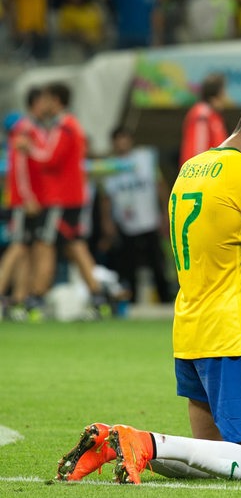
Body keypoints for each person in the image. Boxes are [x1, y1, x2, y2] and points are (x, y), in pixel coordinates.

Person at [55, 92, 241, 484]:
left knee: (214, 464)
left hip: (189, 332)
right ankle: (146, 442)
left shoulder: (190, 167)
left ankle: (126, 444)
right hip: (233, 333)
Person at [20, 82, 110, 320]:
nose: (44, 104)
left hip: (60, 198)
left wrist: (28, 148)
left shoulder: (64, 127)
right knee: (74, 244)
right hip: (69, 196)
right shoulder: (69, 126)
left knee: (45, 244)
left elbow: (49, 159)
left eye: (47, 98)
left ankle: (36, 300)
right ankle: (99, 295)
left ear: (56, 100)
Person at [99, 127, 173, 304]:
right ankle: (131, 304)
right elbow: (106, 198)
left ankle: (165, 301)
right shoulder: (109, 167)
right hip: (126, 224)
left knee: (158, 264)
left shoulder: (145, 159)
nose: (122, 143)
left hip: (149, 220)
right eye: (118, 139)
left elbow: (160, 185)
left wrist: (166, 212)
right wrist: (107, 221)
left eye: (124, 138)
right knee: (128, 266)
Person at [0, 88, 45, 319]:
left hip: (28, 200)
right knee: (17, 247)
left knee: (25, 249)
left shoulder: (32, 128)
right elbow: (18, 168)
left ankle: (19, 299)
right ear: (35, 103)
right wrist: (27, 197)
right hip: (22, 201)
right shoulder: (24, 129)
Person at [180, 74, 228, 166]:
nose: (225, 96)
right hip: (201, 175)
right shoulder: (202, 115)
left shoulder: (213, 115)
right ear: (215, 95)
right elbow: (198, 150)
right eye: (223, 92)